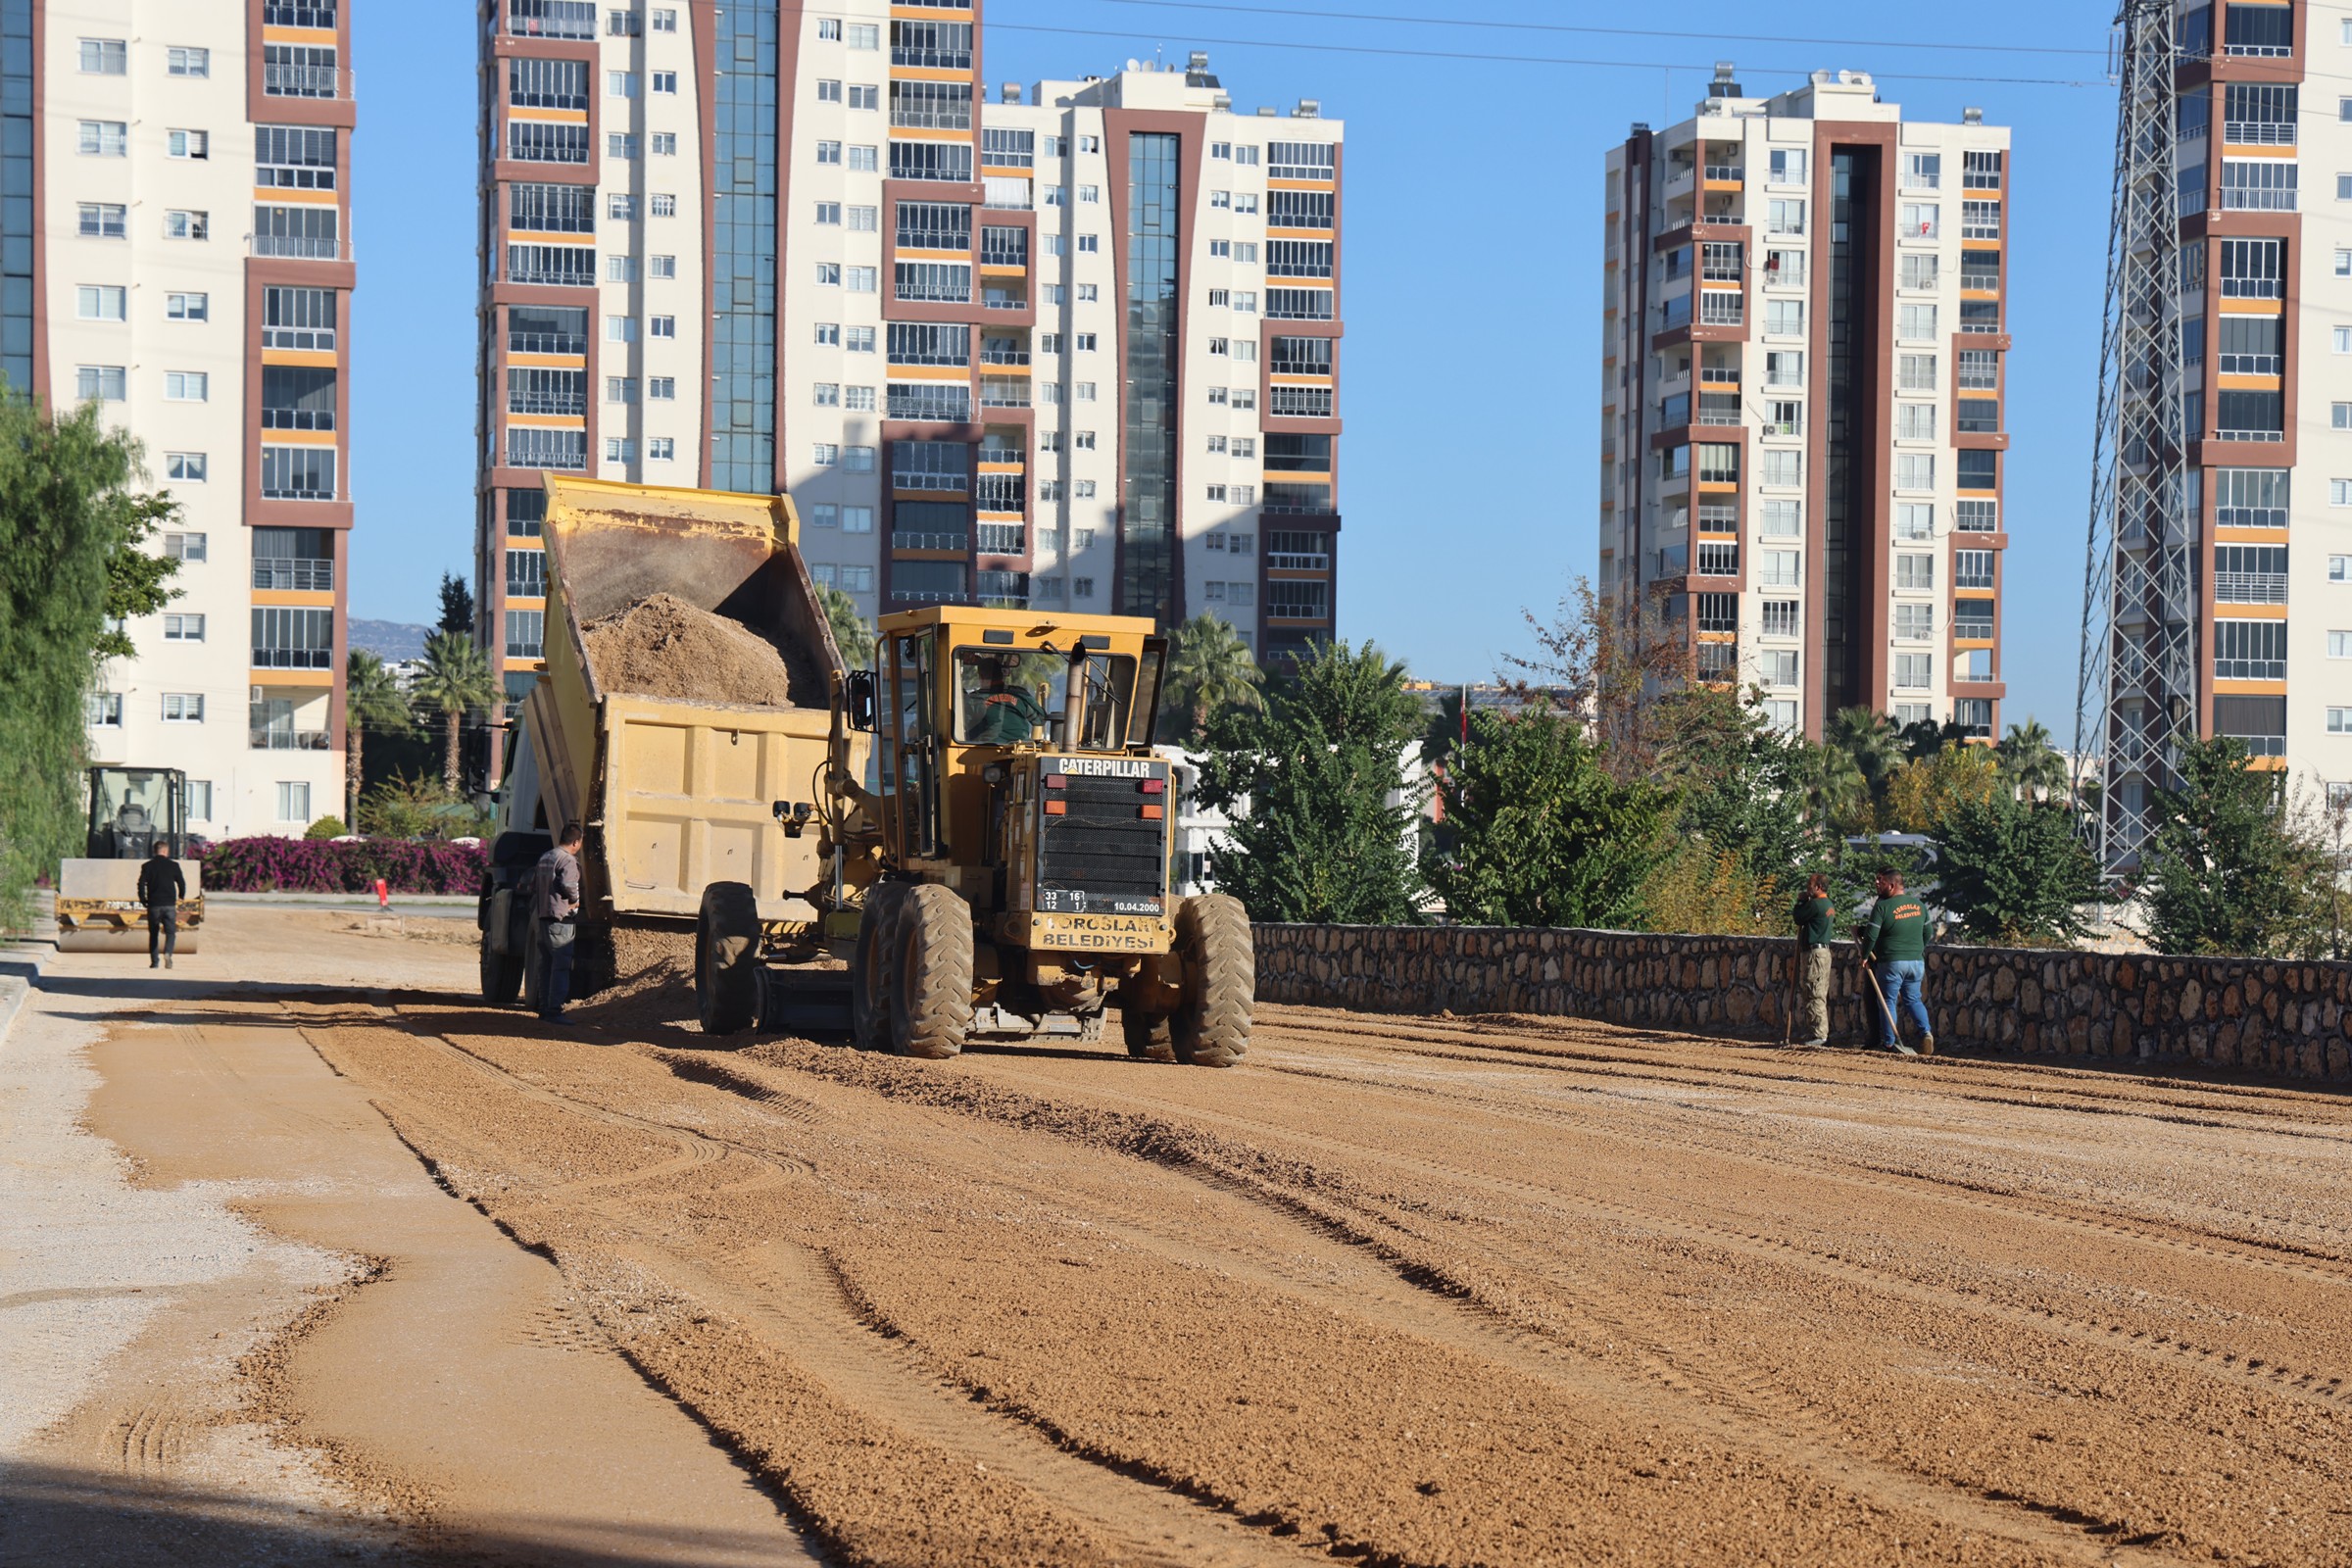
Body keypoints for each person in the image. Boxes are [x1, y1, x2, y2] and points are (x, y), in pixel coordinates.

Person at [1855, 868, 1934, 1056]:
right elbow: (1928, 933)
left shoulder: (1883, 906)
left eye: (1880, 882)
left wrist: (1864, 955)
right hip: (1916, 962)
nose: (1877, 885)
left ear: (1892, 885)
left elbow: (1871, 934)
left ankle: (1889, 1043)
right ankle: (1926, 1032)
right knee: (1913, 999)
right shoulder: (1919, 906)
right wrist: (1917, 949)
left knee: (1887, 1001)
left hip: (1892, 962)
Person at [533, 822, 585, 1024]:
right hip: (561, 919)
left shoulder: (546, 857)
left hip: (544, 916)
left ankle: (544, 1008)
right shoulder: (568, 861)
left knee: (546, 965)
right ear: (575, 842)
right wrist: (574, 900)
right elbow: (568, 884)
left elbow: (535, 884)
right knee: (561, 967)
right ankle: (555, 1010)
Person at [1788, 872, 1836, 1047]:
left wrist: (1801, 901)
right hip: (1822, 952)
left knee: (1814, 992)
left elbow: (1798, 917)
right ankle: (1815, 1032)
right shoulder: (1828, 904)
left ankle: (1820, 1035)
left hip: (1814, 954)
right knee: (1816, 991)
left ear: (1818, 887)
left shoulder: (1816, 905)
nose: (1808, 887)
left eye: (1810, 884)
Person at [963, 658, 1053, 745]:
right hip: (1021, 750)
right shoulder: (1020, 694)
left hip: (987, 750)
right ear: (1002, 674)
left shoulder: (974, 699)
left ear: (981, 676)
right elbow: (1040, 720)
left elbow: (964, 727)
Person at [136, 844, 184, 970]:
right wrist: (181, 896)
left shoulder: (147, 866)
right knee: (171, 933)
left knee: (153, 933)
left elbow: (141, 884)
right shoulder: (174, 865)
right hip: (169, 905)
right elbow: (181, 882)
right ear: (165, 851)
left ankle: (154, 962)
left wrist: (143, 899)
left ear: (155, 851)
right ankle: (168, 953)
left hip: (154, 905)